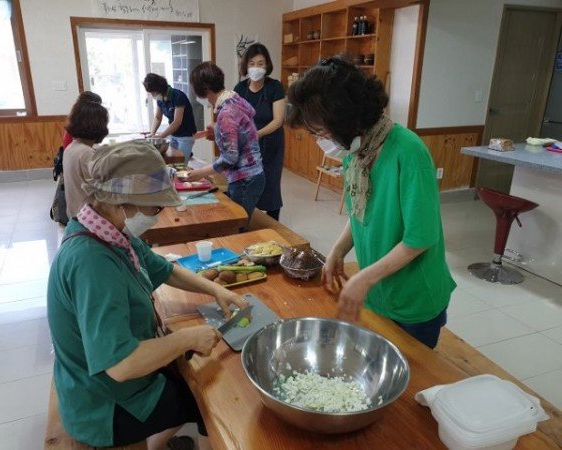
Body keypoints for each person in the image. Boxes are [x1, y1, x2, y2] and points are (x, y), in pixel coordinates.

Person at [48, 141, 249, 450]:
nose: (156, 215)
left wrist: (215, 289)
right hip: (103, 403)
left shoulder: (104, 230)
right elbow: (121, 365)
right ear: (123, 203)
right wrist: (188, 338)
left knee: (189, 379)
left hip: (101, 383)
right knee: (203, 396)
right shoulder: (92, 262)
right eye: (154, 207)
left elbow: (163, 269)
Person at [287, 57, 455, 349]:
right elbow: (360, 213)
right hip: (379, 290)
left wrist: (364, 278)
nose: (320, 140)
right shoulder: (356, 151)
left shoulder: (408, 152)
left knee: (412, 382)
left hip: (413, 296)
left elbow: (420, 239)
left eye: (321, 132)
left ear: (347, 120)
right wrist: (339, 250)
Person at [187, 62, 265, 222]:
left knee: (236, 225)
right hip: (253, 175)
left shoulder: (226, 114)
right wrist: (217, 133)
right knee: (238, 221)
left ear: (205, 88)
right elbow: (240, 135)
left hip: (245, 179)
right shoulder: (235, 100)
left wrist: (199, 173)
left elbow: (230, 158)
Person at [234, 43, 286, 221]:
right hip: (246, 146)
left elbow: (278, 120)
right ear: (246, 66)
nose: (256, 68)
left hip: (271, 144)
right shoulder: (240, 89)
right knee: (247, 183)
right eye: (252, 63)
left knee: (270, 185)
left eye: (261, 63)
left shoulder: (274, 87)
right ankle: (248, 222)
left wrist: (257, 134)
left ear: (267, 65)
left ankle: (274, 228)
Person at [63, 100, 109, 218]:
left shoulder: (72, 148)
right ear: (98, 126)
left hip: (74, 212)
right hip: (88, 218)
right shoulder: (86, 153)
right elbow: (103, 189)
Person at [143, 73, 197, 162]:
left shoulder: (178, 96)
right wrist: (152, 134)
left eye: (152, 92)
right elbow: (157, 117)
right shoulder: (160, 100)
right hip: (173, 136)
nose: (152, 95)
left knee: (181, 165)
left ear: (158, 88)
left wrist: (161, 136)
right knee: (171, 163)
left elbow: (177, 121)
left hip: (185, 136)